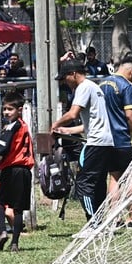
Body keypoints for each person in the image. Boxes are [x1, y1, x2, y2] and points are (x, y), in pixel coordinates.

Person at [51, 60, 114, 222]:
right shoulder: (94, 87)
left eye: (65, 79)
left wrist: (56, 124)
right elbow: (92, 124)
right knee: (98, 184)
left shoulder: (83, 87)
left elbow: (73, 114)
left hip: (95, 143)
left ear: (73, 74)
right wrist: (67, 130)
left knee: (83, 184)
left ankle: (92, 222)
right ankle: (99, 222)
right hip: (105, 141)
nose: (65, 83)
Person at [0, 91, 35, 251]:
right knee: (18, 209)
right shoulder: (24, 126)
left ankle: (3, 232)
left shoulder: (12, 125)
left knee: (0, 203)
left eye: (10, 109)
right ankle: (15, 243)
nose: (6, 112)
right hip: (24, 171)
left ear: (19, 109)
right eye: (4, 109)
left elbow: (4, 145)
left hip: (10, 169)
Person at [99, 55, 132, 195]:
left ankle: (114, 215)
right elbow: (130, 115)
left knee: (114, 177)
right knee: (131, 176)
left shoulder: (102, 83)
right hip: (124, 140)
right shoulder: (127, 86)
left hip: (107, 139)